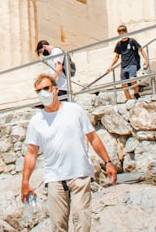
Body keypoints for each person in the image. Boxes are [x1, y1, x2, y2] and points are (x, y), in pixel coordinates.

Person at [21, 74, 117, 232]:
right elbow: (31, 153)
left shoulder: (75, 110)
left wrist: (108, 162)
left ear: (56, 90)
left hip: (79, 175)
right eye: (38, 91)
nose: (42, 93)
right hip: (54, 179)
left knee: (82, 225)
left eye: (46, 88)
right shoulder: (36, 121)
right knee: (58, 227)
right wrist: (25, 182)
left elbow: (92, 137)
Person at [104, 24, 149, 100]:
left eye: (123, 33)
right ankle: (128, 99)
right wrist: (110, 65)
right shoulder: (119, 44)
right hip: (124, 65)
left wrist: (146, 60)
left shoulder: (132, 41)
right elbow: (117, 56)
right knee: (124, 84)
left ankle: (136, 93)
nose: (122, 35)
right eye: (120, 34)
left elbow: (141, 49)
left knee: (132, 79)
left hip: (132, 64)